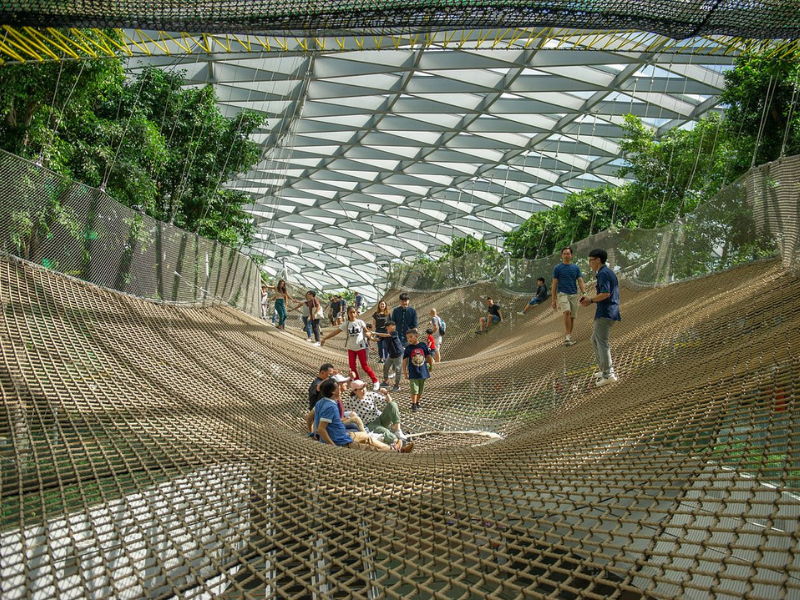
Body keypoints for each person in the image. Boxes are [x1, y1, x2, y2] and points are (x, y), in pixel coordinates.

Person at [307, 379, 412, 452]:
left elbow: (310, 418)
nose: (341, 389)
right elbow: (321, 429)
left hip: (344, 434)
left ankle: (394, 445)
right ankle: (396, 451)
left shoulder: (321, 402)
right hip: (341, 441)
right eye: (338, 387)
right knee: (370, 449)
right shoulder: (331, 406)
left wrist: (312, 433)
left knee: (367, 437)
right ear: (333, 391)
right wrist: (332, 445)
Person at [579, 248, 621, 387]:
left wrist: (590, 300)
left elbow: (605, 293)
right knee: (595, 340)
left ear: (598, 260)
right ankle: (604, 369)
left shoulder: (603, 273)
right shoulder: (607, 272)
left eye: (591, 260)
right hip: (609, 311)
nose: (589, 263)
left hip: (605, 312)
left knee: (602, 343)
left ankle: (608, 374)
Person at [321, 306, 380, 391]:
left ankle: (375, 381)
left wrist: (369, 335)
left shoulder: (360, 322)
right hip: (351, 348)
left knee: (364, 366)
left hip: (360, 347)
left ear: (356, 313)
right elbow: (336, 332)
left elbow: (367, 331)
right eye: (350, 312)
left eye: (353, 312)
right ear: (348, 314)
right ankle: (358, 382)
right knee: (352, 367)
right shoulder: (346, 324)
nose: (352, 314)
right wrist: (325, 338)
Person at [343, 380, 410, 448]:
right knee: (385, 432)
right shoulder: (351, 401)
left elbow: (389, 401)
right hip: (370, 424)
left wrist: (386, 393)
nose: (363, 390)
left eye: (364, 388)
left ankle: (397, 430)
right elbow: (343, 412)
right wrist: (350, 416)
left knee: (392, 404)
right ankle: (397, 442)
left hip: (380, 418)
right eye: (360, 389)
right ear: (355, 391)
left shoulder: (371, 394)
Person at [551, 246, 586, 346]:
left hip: (574, 294)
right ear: (562, 255)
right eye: (564, 253)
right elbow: (554, 284)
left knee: (572, 317)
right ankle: (567, 336)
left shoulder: (575, 268)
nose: (566, 255)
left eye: (568, 253)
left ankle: (568, 336)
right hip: (562, 293)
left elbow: (580, 280)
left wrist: (584, 293)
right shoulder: (557, 268)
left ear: (571, 255)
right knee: (567, 311)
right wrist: (553, 300)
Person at [403, 328, 434, 413]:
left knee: (420, 390)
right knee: (414, 389)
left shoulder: (423, 345)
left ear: (416, 336)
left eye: (410, 337)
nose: (409, 339)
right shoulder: (408, 348)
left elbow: (429, 357)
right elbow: (405, 360)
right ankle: (413, 405)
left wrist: (431, 366)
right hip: (413, 372)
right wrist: (405, 372)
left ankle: (417, 402)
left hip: (423, 372)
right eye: (407, 338)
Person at [372, 320, 404, 391]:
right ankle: (385, 381)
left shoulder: (394, 333)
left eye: (389, 326)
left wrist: (376, 332)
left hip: (398, 355)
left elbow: (387, 335)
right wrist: (370, 337)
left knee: (398, 370)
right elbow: (377, 339)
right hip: (391, 355)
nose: (387, 327)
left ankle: (396, 385)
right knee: (385, 366)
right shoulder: (385, 334)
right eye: (387, 326)